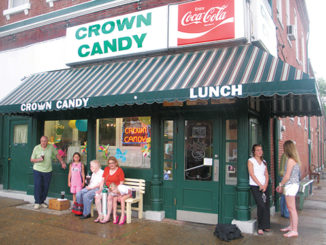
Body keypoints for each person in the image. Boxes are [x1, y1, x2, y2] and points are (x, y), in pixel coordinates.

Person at [30, 136, 66, 209]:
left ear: (47, 141)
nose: (44, 143)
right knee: (38, 186)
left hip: (48, 170)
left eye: (45, 141)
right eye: (42, 141)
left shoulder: (51, 147)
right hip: (38, 170)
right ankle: (37, 202)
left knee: (45, 187)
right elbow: (32, 159)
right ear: (40, 141)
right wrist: (38, 159)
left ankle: (42, 201)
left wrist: (62, 162)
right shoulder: (36, 148)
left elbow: (57, 155)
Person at [276, 140, 301, 238]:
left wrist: (280, 185)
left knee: (292, 209)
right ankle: (291, 226)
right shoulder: (294, 159)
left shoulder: (290, 160)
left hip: (290, 185)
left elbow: (287, 176)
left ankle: (294, 230)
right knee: (290, 209)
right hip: (293, 185)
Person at [248, 144, 270, 235]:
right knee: (260, 205)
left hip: (264, 186)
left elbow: (266, 174)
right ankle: (260, 227)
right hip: (255, 186)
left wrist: (265, 184)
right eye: (257, 150)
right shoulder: (250, 161)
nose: (260, 151)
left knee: (266, 205)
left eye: (261, 150)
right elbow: (252, 174)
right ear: (254, 151)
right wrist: (260, 184)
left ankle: (266, 225)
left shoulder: (264, 161)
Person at [94, 156, 125, 224]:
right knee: (97, 197)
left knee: (109, 197)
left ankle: (107, 216)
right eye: (109, 163)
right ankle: (100, 215)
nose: (111, 165)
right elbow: (103, 180)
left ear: (116, 163)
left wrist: (116, 190)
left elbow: (121, 183)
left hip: (115, 189)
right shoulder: (106, 169)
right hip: (106, 188)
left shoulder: (119, 170)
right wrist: (100, 189)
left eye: (113, 163)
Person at [279, 153, 289, 218]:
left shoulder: (283, 156)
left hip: (282, 176)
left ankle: (283, 211)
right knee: (286, 196)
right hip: (286, 178)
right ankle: (286, 213)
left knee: (283, 196)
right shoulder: (289, 158)